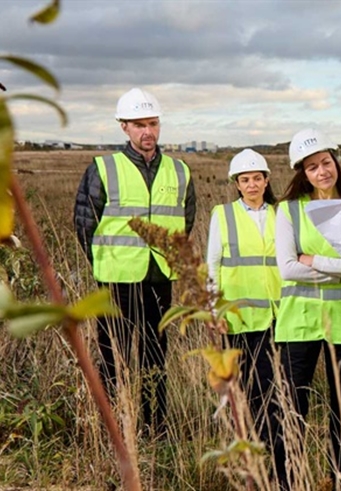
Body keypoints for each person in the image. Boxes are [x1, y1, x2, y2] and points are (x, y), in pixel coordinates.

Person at [74, 87, 196, 437]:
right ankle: (113, 429)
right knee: (114, 357)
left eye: (153, 123)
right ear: (124, 127)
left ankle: (155, 429)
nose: (148, 132)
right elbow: (85, 224)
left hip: (160, 278)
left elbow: (185, 221)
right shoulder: (102, 168)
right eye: (139, 124)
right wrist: (107, 262)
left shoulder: (180, 170)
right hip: (116, 281)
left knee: (156, 358)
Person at [274, 128, 341, 490]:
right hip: (300, 324)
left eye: (326, 162)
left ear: (336, 162)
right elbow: (287, 267)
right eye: (312, 167)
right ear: (302, 173)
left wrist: (314, 261)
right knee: (292, 409)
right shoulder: (288, 210)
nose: (322, 171)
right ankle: (288, 481)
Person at [205, 148, 280, 468]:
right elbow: (212, 264)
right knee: (242, 388)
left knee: (270, 387)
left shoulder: (282, 215)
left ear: (266, 180)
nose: (251, 185)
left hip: (275, 316)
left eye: (257, 178)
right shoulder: (222, 215)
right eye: (245, 180)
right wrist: (213, 310)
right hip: (235, 318)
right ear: (236, 183)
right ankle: (245, 447)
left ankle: (267, 445)